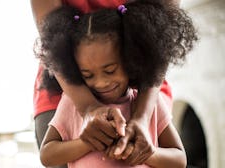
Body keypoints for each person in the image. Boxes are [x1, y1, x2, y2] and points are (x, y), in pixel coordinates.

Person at [36, 0, 197, 167]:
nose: (101, 83)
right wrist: (87, 141)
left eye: (110, 70)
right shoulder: (70, 104)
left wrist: (147, 152)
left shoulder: (154, 104)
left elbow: (179, 159)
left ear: (131, 60)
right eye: (88, 75)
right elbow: (47, 155)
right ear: (75, 69)